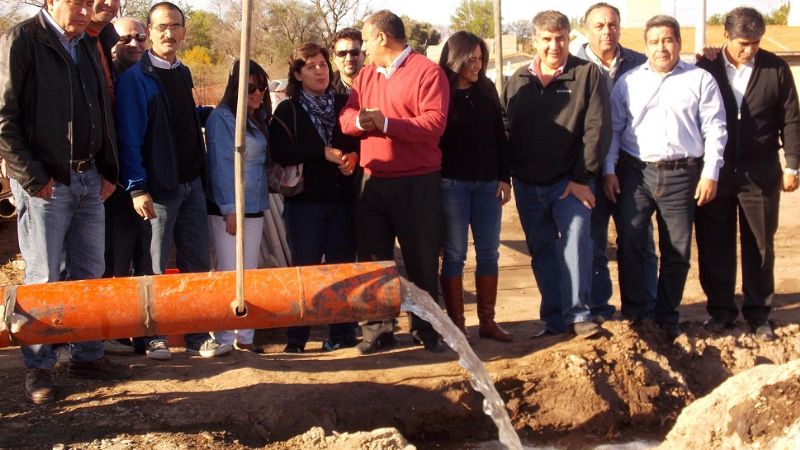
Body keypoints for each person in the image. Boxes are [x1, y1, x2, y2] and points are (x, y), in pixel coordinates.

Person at [0, 0, 132, 405]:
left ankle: (87, 355)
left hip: (89, 179)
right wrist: (35, 180)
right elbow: (3, 119)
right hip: (47, 183)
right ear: (50, 2)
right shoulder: (22, 40)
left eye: (89, 4)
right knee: (43, 279)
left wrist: (108, 172)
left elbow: (102, 113)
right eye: (76, 3)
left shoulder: (86, 46)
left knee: (89, 273)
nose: (85, 10)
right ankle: (39, 368)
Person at [115, 2, 231, 359]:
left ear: (184, 31)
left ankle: (197, 337)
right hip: (158, 189)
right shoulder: (136, 79)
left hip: (192, 183)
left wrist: (212, 113)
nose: (169, 33)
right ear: (150, 31)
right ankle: (154, 336)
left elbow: (178, 117)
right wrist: (137, 186)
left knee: (196, 263)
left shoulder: (182, 72)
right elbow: (129, 137)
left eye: (176, 26)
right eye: (162, 27)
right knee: (153, 264)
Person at [604, 15, 728, 339]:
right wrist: (608, 171)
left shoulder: (700, 80)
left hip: (683, 174)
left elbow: (715, 129)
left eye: (668, 40)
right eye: (655, 41)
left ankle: (666, 316)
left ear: (678, 43)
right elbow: (615, 131)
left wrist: (711, 172)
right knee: (631, 243)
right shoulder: (628, 82)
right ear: (645, 46)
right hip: (635, 173)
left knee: (677, 250)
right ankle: (636, 314)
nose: (662, 47)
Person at [340, 10, 450, 354]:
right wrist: (360, 121)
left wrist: (387, 124)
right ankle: (378, 330)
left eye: (366, 42)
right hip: (373, 181)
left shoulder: (427, 72)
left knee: (421, 260)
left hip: (417, 182)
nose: (362, 50)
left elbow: (434, 124)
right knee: (374, 260)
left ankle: (427, 329)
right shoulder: (366, 76)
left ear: (382, 38)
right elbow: (345, 118)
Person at [504, 10, 610, 339]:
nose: (554, 46)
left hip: (571, 184)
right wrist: (508, 176)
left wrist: (581, 177)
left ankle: (579, 315)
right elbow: (507, 130)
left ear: (569, 38)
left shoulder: (588, 75)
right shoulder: (518, 79)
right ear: (534, 41)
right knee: (542, 252)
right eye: (547, 39)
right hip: (527, 186)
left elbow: (596, 130)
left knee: (577, 244)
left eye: (561, 38)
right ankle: (553, 319)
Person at [695, 7, 799, 341]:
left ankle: (758, 313)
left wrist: (793, 164)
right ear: (725, 36)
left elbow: (791, 119)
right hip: (716, 170)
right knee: (715, 243)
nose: (749, 50)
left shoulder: (776, 68)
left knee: (760, 244)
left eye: (755, 42)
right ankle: (721, 311)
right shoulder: (705, 67)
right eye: (743, 42)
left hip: (761, 171)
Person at [271, 43, 361, 353]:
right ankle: (297, 339)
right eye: (310, 66)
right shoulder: (289, 109)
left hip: (343, 202)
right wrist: (321, 153)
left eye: (322, 64)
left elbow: (359, 142)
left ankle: (342, 333)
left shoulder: (344, 103)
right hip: (305, 204)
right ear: (297, 73)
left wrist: (352, 159)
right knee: (305, 270)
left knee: (341, 269)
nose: (320, 70)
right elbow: (281, 151)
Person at [572, 2, 656, 323]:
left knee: (639, 240)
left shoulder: (639, 63)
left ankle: (644, 309)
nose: (607, 31)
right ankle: (600, 310)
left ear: (619, 27)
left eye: (612, 25)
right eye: (599, 26)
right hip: (588, 169)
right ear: (587, 29)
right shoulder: (574, 64)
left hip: (633, 168)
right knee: (593, 243)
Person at [437, 31, 512, 343]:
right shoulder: (440, 91)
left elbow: (500, 136)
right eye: (471, 58)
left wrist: (504, 178)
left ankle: (488, 322)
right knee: (454, 254)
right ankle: (457, 326)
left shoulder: (487, 89)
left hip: (487, 186)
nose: (478, 65)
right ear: (456, 59)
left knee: (489, 252)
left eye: (481, 58)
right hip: (452, 184)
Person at [205, 60, 271, 353]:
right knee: (229, 272)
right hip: (230, 209)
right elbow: (221, 164)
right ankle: (222, 337)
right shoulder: (223, 119)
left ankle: (244, 337)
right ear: (237, 89)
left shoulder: (257, 119)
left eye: (262, 87)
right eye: (252, 88)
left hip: (255, 206)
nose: (258, 94)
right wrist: (230, 208)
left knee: (249, 274)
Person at [330, 27, 365, 95]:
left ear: (364, 54)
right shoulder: (327, 91)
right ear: (334, 57)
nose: (349, 58)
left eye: (354, 52)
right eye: (342, 53)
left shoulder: (379, 83)